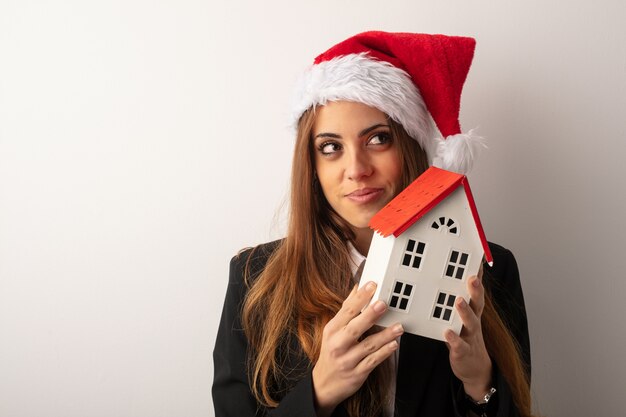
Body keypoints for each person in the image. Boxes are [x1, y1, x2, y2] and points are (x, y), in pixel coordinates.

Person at [213, 31, 534, 417]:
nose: (357, 170)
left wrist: (480, 382)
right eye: (331, 147)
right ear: (312, 167)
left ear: (409, 146)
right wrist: (320, 391)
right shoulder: (253, 278)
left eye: (378, 139)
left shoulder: (491, 272)